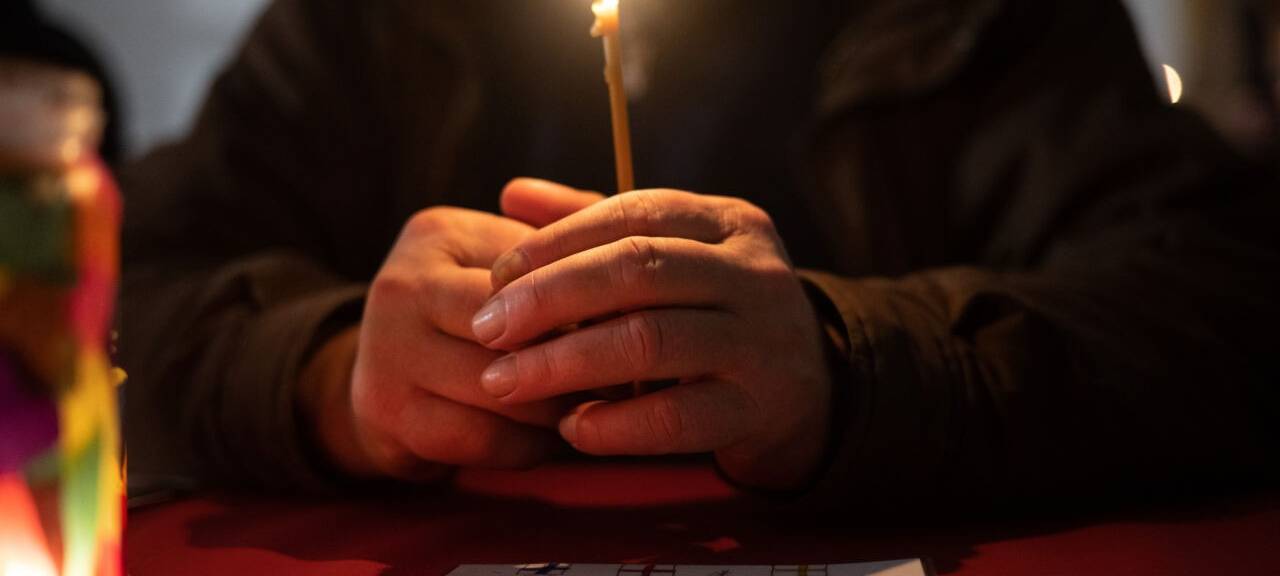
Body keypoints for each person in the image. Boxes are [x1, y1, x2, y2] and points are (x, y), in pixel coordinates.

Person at [121, 0, 1280, 513]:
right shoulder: (363, 24)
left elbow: (1220, 305)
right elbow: (117, 293)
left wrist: (845, 365)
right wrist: (328, 379)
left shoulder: (978, 17)